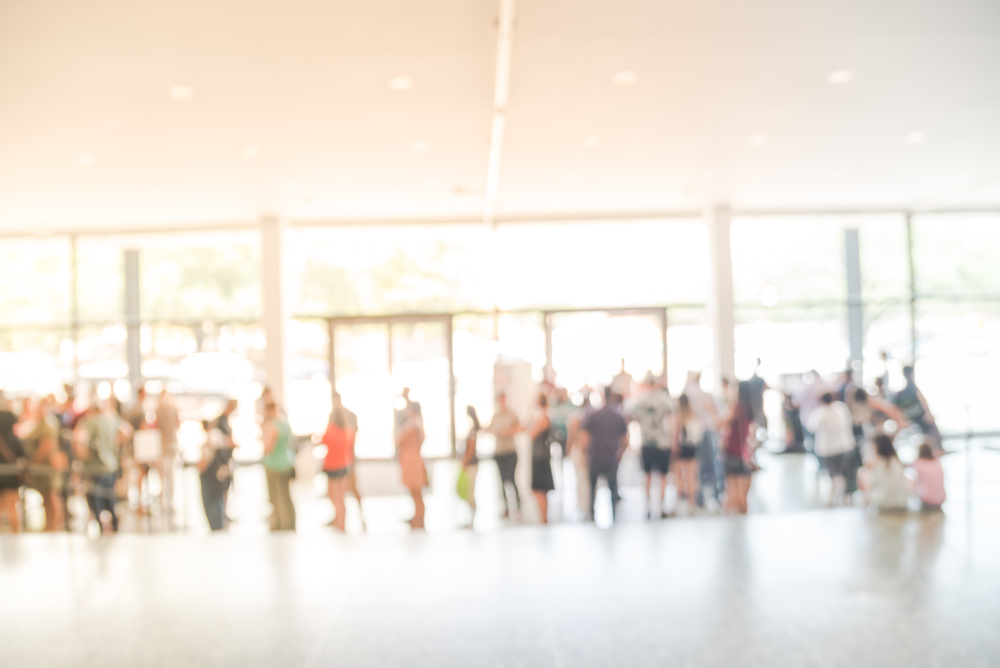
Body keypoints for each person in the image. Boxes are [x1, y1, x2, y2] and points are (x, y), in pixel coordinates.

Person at [75, 402, 130, 533]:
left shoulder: (89, 422)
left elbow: (79, 439)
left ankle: (101, 526)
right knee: (109, 497)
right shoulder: (111, 420)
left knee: (95, 499)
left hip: (95, 467)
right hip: (111, 465)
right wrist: (114, 444)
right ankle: (114, 525)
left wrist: (83, 454)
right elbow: (127, 431)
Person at [625, 373, 674, 519]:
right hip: (662, 442)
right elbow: (672, 421)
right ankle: (661, 508)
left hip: (646, 443)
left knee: (647, 477)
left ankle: (647, 507)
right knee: (663, 478)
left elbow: (628, 417)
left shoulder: (638, 401)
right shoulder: (664, 400)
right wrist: (673, 440)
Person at [581, 387, 628, 522]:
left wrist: (585, 455)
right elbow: (625, 441)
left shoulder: (593, 415)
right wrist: (620, 454)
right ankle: (613, 515)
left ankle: (591, 513)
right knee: (612, 490)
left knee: (592, 489)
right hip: (611, 458)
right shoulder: (618, 416)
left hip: (595, 457)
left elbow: (585, 438)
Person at [23, 396, 67, 531]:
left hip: (46, 466)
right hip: (43, 467)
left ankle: (53, 525)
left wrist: (33, 464)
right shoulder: (41, 423)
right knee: (48, 497)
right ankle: (51, 524)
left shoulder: (48, 424)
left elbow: (45, 447)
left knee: (51, 496)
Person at [806, 393, 856, 506]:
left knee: (832, 476)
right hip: (844, 446)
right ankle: (845, 498)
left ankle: (831, 499)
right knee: (845, 474)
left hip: (827, 449)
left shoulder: (819, 413)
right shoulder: (842, 408)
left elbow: (811, 427)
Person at [684, 371, 722, 505]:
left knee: (696, 467)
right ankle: (714, 496)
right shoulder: (705, 394)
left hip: (694, 433)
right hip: (704, 432)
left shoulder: (689, 393)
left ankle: (699, 498)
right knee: (710, 465)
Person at [720, 381, 754, 514]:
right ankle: (744, 519)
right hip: (745, 454)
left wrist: (709, 408)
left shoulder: (736, 407)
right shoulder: (750, 408)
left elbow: (720, 423)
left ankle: (733, 522)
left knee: (733, 492)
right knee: (744, 495)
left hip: (732, 452)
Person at [261, 400, 296, 531]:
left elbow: (268, 447)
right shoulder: (285, 424)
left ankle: (283, 525)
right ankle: (290, 523)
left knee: (278, 498)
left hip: (275, 465)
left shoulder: (272, 426)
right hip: (287, 462)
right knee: (286, 496)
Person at [321, 398, 353, 532]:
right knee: (341, 497)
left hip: (332, 466)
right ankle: (341, 523)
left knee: (334, 496)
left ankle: (339, 523)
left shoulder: (330, 430)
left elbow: (321, 441)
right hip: (344, 465)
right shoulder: (347, 431)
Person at [893, 366, 942, 452]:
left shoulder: (902, 392)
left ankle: (934, 452)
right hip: (920, 418)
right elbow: (922, 398)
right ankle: (937, 451)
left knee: (928, 438)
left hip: (913, 420)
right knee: (933, 437)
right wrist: (928, 413)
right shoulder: (911, 387)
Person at [488, 392, 521, 519]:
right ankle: (506, 508)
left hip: (510, 451)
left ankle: (518, 507)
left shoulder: (511, 414)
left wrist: (508, 432)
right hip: (499, 451)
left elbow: (519, 427)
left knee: (510, 479)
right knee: (501, 481)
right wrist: (495, 432)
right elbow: (490, 429)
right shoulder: (495, 416)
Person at [197, 419, 233, 531]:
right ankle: (219, 524)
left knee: (210, 503)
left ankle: (216, 526)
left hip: (210, 476)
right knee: (219, 500)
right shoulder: (219, 435)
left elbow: (204, 463)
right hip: (220, 475)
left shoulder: (209, 439)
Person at [396, 401, 427, 529]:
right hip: (411, 460)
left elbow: (399, 439)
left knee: (417, 492)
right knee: (414, 492)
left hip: (412, 461)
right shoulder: (416, 423)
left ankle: (419, 519)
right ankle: (417, 517)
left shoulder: (414, 424)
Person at [673, 394, 706, 514]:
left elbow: (675, 434)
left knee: (680, 477)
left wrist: (673, 447)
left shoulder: (679, 416)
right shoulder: (693, 415)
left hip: (682, 449)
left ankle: (681, 503)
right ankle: (692, 503)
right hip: (693, 448)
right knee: (693, 477)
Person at [860, 434, 908, 511]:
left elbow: (869, 483)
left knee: (862, 474)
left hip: (882, 502)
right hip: (901, 501)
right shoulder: (897, 461)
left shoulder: (875, 462)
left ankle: (864, 509)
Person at [566, 390, 594, 520]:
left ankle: (584, 507)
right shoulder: (585, 417)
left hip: (581, 451)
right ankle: (584, 507)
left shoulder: (577, 417)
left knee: (582, 481)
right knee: (585, 481)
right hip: (584, 451)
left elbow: (574, 437)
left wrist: (569, 451)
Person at [526, 393, 553, 524]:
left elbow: (531, 434)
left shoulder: (543, 418)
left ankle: (544, 518)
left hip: (541, 458)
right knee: (539, 489)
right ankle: (543, 517)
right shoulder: (541, 417)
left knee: (539, 488)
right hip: (539, 456)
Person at [155, 389, 181, 517]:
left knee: (164, 477)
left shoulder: (158, 410)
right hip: (170, 446)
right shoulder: (172, 409)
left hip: (163, 447)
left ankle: (164, 503)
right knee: (169, 477)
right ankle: (168, 503)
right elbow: (179, 425)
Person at [0, 408, 25, 532]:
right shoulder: (15, 439)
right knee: (12, 508)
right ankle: (16, 534)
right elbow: (22, 457)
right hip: (10, 478)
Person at [909, 442, 945, 511]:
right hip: (941, 499)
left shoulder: (919, 464)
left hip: (927, 500)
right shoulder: (937, 463)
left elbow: (909, 467)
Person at [460, 406, 480, 527]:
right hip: (470, 465)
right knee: (468, 493)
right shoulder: (472, 430)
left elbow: (471, 450)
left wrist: (464, 462)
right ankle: (469, 520)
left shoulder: (473, 432)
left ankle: (471, 521)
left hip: (471, 466)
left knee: (470, 493)